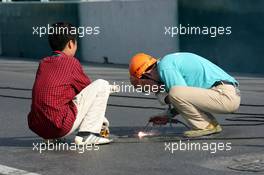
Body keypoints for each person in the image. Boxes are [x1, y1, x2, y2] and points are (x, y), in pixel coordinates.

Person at [28, 22, 118, 145]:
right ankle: (88, 135)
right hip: (60, 126)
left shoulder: (43, 63)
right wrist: (109, 88)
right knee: (102, 84)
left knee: (58, 98)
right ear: (71, 44)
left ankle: (52, 138)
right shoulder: (70, 62)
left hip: (39, 126)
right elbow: (89, 90)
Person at [129, 52, 241, 138]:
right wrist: (167, 115)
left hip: (225, 96)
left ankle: (205, 126)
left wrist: (168, 111)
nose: (150, 90)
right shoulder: (168, 62)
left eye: (144, 85)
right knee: (175, 93)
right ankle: (209, 124)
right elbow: (185, 99)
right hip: (226, 93)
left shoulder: (165, 67)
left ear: (146, 74)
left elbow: (177, 95)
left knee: (174, 92)